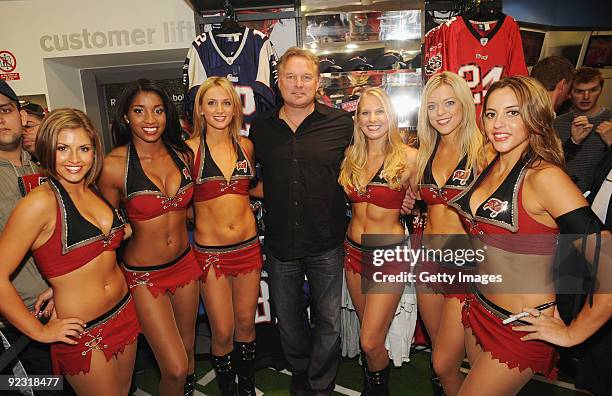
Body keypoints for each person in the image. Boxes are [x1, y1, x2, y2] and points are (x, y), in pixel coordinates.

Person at [447, 75, 608, 394]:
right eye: (491, 114)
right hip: (479, 309)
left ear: (534, 116)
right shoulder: (493, 162)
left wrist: (570, 335)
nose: (498, 124)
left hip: (521, 327)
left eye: (513, 112)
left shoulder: (545, 177)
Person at [0, 108, 140, 395]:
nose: (75, 160)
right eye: (63, 148)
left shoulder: (91, 188)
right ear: (47, 149)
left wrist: (60, 282)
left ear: (95, 152)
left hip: (124, 310)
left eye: (84, 148)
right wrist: (38, 331)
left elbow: (94, 251)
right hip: (83, 331)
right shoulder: (39, 203)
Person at [249, 47, 354, 396]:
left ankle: (320, 384)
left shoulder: (341, 124)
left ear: (318, 82)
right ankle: (299, 372)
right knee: (290, 323)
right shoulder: (261, 129)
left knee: (328, 322)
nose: (298, 84)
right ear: (278, 83)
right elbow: (248, 180)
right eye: (290, 77)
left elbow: (365, 167)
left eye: (305, 77)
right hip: (280, 245)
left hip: (327, 243)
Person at [98, 79, 201, 396]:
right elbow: (104, 232)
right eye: (139, 111)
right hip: (144, 278)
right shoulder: (113, 166)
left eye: (158, 110)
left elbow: (194, 211)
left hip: (185, 266)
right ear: (126, 116)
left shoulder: (182, 155)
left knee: (189, 356)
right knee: (174, 367)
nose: (150, 119)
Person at [186, 76, 262, 396]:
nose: (219, 109)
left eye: (226, 102)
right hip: (211, 254)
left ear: (235, 109)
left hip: (248, 248)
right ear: (200, 109)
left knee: (246, 325)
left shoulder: (245, 146)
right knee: (223, 330)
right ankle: (227, 391)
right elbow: (181, 204)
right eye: (212, 102)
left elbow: (252, 190)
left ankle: (246, 389)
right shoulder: (188, 151)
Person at [339, 87, 417, 394]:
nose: (372, 119)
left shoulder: (410, 158)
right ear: (357, 119)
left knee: (370, 340)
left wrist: (413, 200)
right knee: (367, 334)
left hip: (389, 256)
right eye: (365, 113)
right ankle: (374, 385)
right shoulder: (350, 157)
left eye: (379, 111)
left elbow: (432, 196)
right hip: (353, 253)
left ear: (391, 115)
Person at [415, 71, 486, 396]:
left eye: (448, 103)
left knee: (454, 361)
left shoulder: (483, 152)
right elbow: (411, 194)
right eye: (432, 106)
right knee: (441, 362)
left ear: (464, 105)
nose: (440, 112)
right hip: (428, 265)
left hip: (466, 266)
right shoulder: (424, 152)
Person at [0, 81, 56, 390]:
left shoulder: (44, 167)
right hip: (18, 325)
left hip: (62, 307)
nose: (0, 119)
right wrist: (36, 329)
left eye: (5, 110)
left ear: (21, 117)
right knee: (43, 388)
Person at [553, 67, 612, 192]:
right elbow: (547, 164)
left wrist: (611, 143)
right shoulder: (558, 123)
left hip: (598, 199)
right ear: (569, 92)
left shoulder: (610, 121)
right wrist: (573, 142)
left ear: (601, 89)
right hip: (560, 193)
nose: (586, 96)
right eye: (579, 91)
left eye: (593, 90)